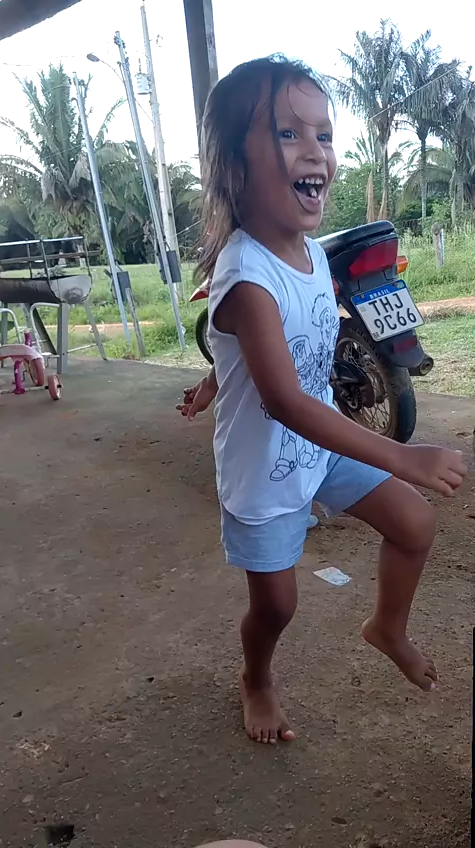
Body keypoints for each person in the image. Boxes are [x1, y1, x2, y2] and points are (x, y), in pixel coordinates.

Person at [177, 55, 467, 745]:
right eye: (288, 133)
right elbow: (282, 400)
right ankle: (256, 677)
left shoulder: (309, 253)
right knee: (277, 604)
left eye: (325, 134)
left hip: (321, 444)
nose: (316, 151)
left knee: (414, 525)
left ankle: (386, 627)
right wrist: (402, 456)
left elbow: (275, 349)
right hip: (266, 471)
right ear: (232, 167)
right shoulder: (246, 276)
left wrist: (216, 380)